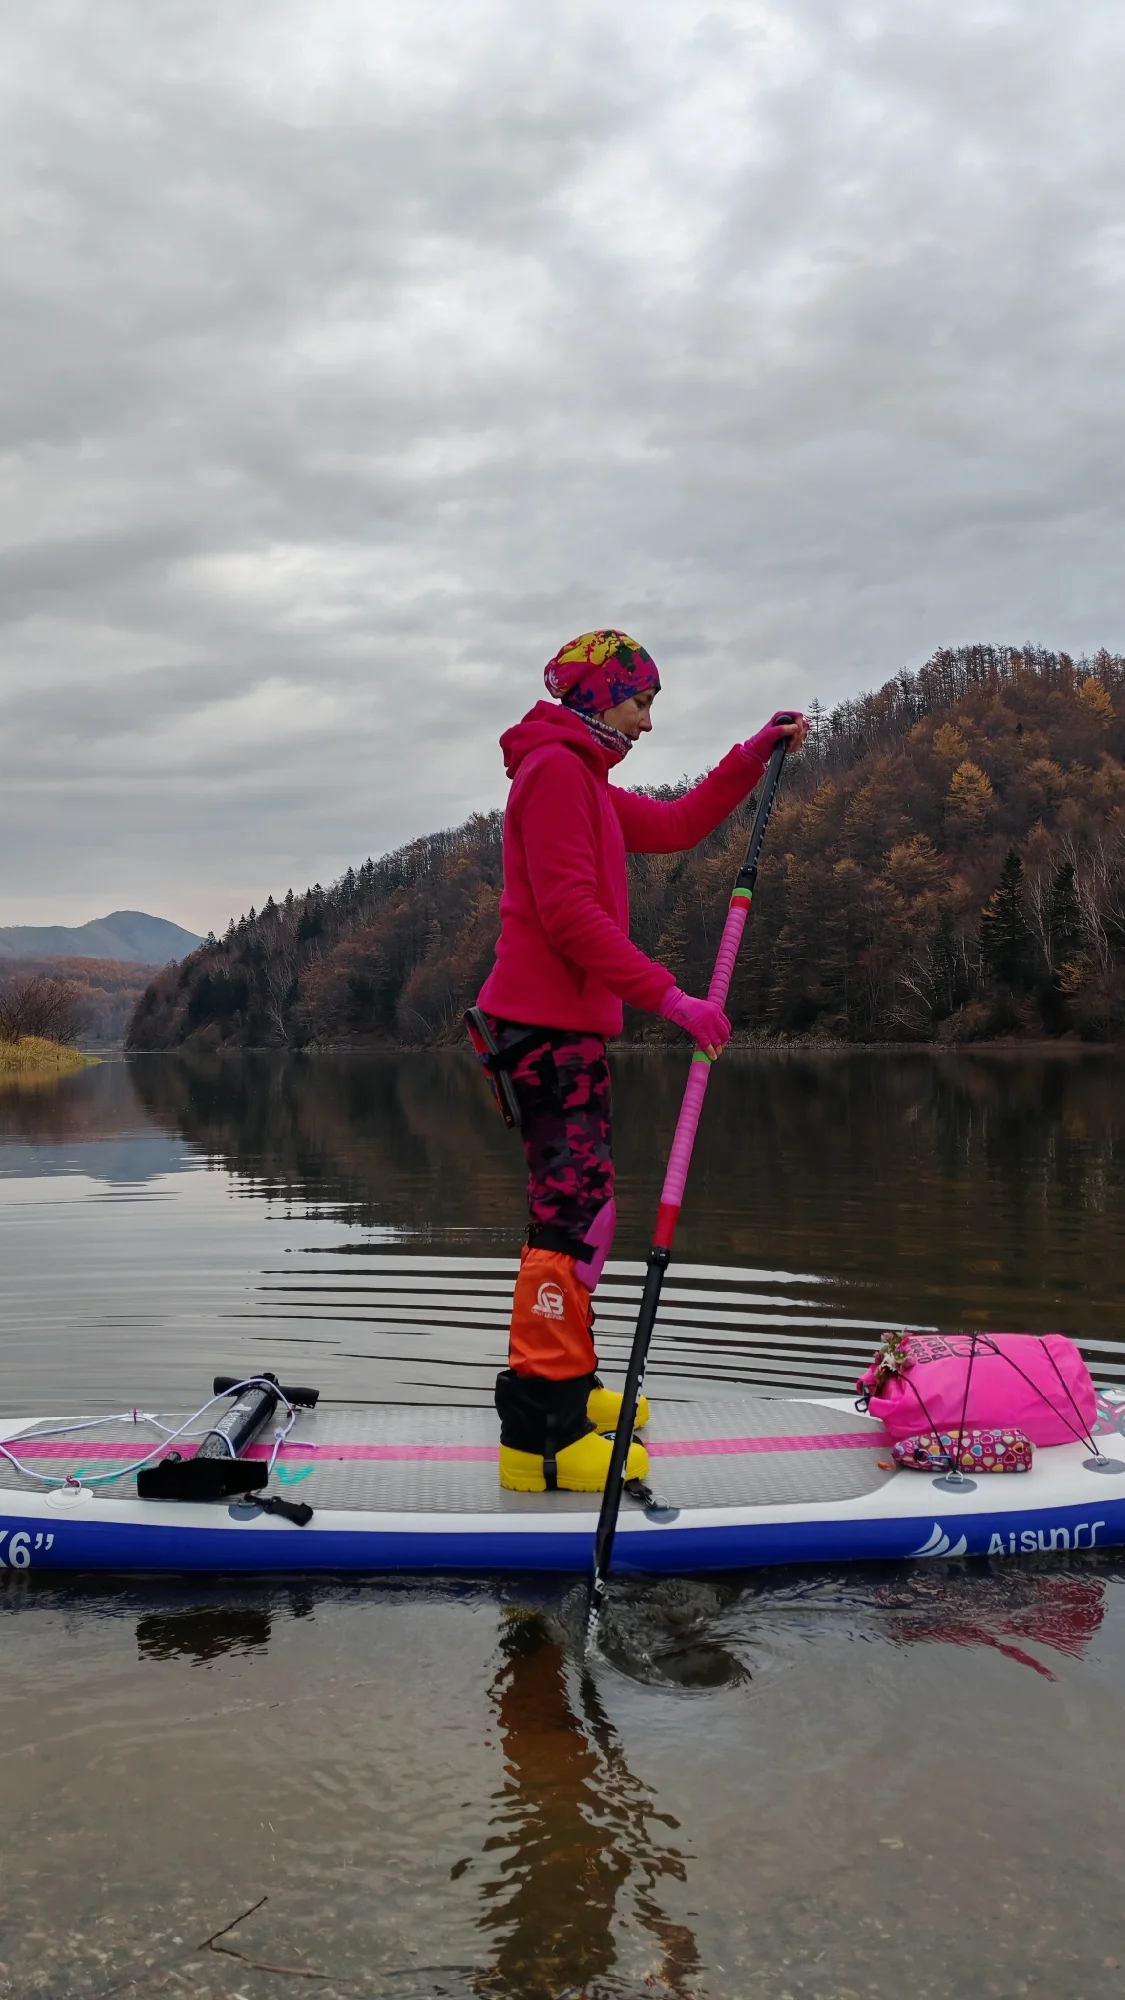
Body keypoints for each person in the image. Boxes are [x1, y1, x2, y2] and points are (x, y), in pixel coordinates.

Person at [471, 629, 807, 1494]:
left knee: (584, 1215)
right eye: (639, 701)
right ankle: (540, 1437)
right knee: (568, 1223)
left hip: (563, 1033)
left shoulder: (581, 777)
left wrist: (752, 755)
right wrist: (672, 999)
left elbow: (676, 824)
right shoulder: (553, 773)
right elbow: (568, 915)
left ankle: (574, 1387)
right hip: (539, 1031)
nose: (647, 722)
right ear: (596, 696)